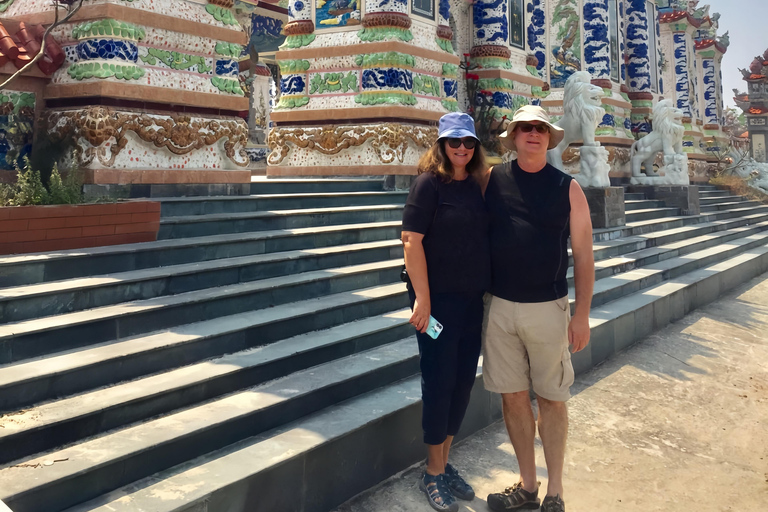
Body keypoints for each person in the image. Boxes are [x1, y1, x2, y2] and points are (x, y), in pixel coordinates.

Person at [480, 105, 594, 512]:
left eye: (541, 129)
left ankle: (555, 491)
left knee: (551, 399)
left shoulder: (568, 188)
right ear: (513, 136)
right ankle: (528, 486)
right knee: (512, 398)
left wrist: (581, 315)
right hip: (501, 308)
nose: (533, 133)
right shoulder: (492, 180)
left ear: (549, 137)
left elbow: (583, 255)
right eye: (525, 127)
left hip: (548, 307)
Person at [401, 112, 490, 512]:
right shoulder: (428, 185)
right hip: (436, 307)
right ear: (441, 145)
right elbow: (410, 241)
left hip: (470, 303)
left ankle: (442, 460)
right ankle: (432, 472)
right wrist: (422, 299)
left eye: (468, 143)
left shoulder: (474, 185)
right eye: (454, 142)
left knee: (461, 385)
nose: (461, 149)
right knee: (438, 384)